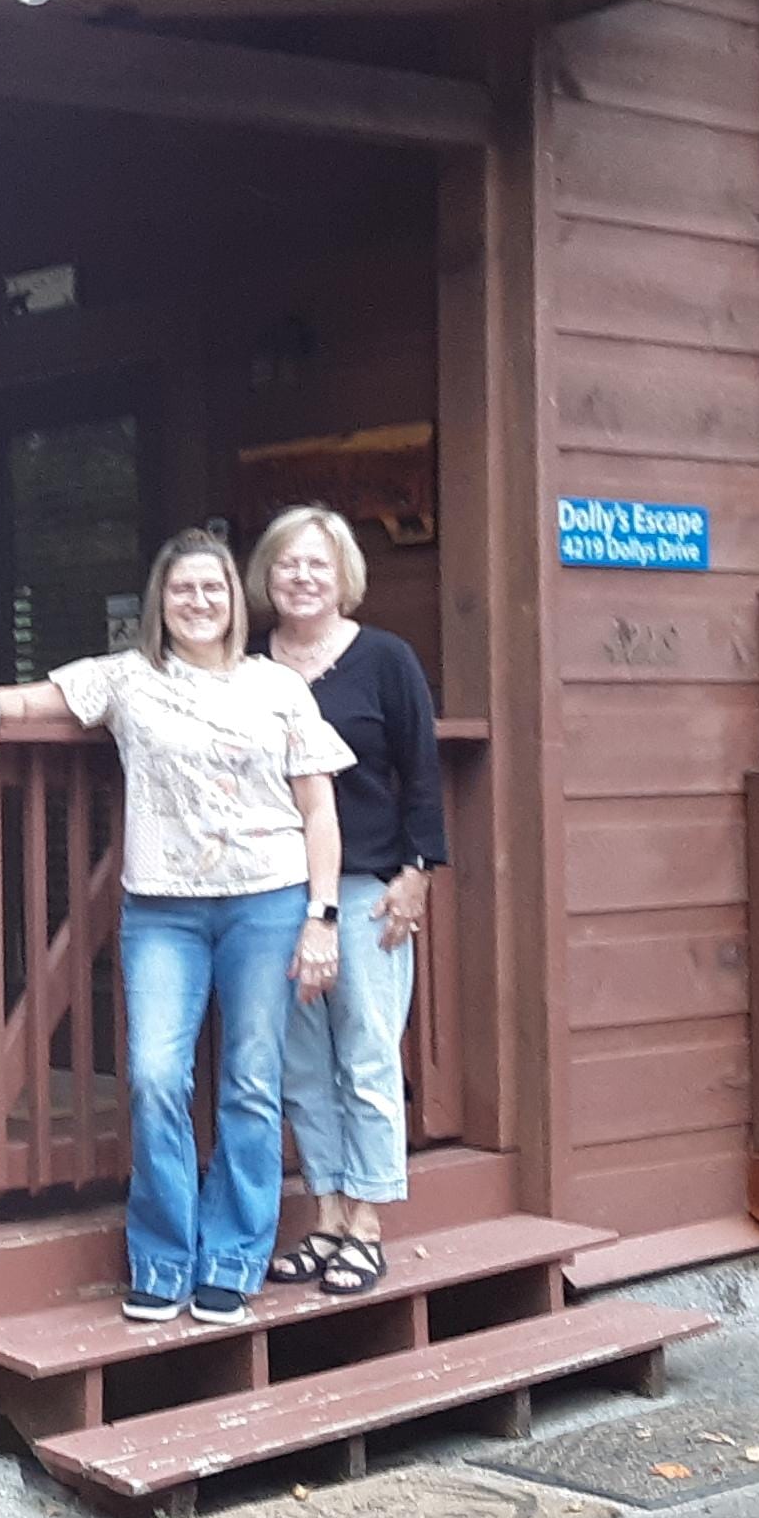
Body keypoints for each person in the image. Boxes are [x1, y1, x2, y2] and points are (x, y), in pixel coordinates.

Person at [0, 528, 352, 1323]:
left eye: (213, 588)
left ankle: (233, 1258)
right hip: (162, 910)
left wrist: (323, 917)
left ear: (236, 600)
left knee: (249, 1079)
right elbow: (30, 697)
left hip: (268, 902)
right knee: (157, 1076)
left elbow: (318, 810)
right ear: (159, 605)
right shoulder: (127, 679)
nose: (198, 602)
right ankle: (163, 1259)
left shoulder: (278, 688)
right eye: (181, 590)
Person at [248, 505, 448, 1299]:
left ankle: (366, 1224)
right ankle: (326, 1215)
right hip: (271, 891)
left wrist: (418, 871)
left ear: (344, 579)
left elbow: (422, 772)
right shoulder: (246, 666)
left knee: (365, 1054)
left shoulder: (386, 660)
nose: (302, 578)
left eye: (318, 566)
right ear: (266, 576)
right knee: (301, 1064)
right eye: (288, 564)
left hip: (367, 887)